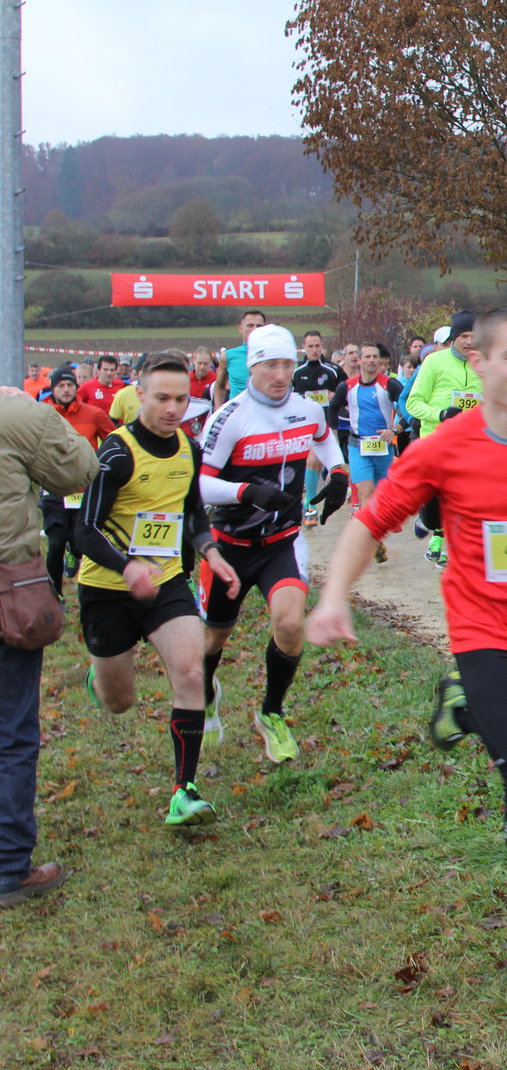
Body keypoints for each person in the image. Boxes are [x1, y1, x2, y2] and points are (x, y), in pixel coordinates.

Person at [306, 306, 507, 1016]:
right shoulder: (444, 448)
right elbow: (370, 520)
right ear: (479, 364)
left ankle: (464, 705)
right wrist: (333, 598)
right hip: (484, 633)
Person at [75, 353, 241, 828]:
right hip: (107, 588)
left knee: (190, 672)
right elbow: (85, 530)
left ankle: (184, 792)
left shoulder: (189, 447)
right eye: (162, 398)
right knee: (119, 701)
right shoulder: (116, 452)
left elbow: (193, 513)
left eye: (181, 399)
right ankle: (99, 677)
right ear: (139, 395)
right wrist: (127, 567)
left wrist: (210, 552)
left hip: (166, 580)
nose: (172, 408)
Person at [199, 325, 350, 764]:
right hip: (229, 545)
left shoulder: (307, 410)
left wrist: (339, 472)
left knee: (289, 625)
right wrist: (246, 492)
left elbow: (324, 437)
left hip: (282, 542)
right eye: (270, 366)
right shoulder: (230, 417)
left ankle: (271, 712)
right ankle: (205, 695)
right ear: (252, 367)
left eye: (287, 364)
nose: (281, 375)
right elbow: (199, 486)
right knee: (213, 639)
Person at [0, 387, 98, 908]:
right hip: (7, 594)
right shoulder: (12, 412)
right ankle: (8, 867)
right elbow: (80, 469)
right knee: (11, 731)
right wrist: (38, 416)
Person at [405, 311, 482, 566]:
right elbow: (413, 403)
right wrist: (440, 414)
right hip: (435, 444)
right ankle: (431, 525)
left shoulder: (484, 365)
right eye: (464, 336)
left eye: (474, 336)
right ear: (453, 338)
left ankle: (453, 548)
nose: (469, 341)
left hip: (469, 447)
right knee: (434, 511)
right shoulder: (434, 363)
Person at [40, 366, 116, 596]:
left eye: (70, 385)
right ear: (53, 389)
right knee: (56, 542)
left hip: (83, 489)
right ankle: (55, 594)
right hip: (53, 487)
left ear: (76, 388)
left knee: (78, 540)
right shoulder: (41, 414)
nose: (66, 389)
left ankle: (75, 555)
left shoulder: (94, 414)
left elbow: (115, 442)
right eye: (61, 386)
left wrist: (103, 466)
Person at [330, 344, 405, 559]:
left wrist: (394, 429)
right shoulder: (347, 387)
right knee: (365, 492)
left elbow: (409, 409)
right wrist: (332, 434)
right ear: (359, 360)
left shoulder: (389, 385)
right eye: (367, 357)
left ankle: (375, 532)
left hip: (383, 447)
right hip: (358, 446)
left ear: (379, 361)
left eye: (375, 357)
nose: (372, 360)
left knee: (380, 496)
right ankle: (373, 541)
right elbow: (333, 407)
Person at [293, 331, 346, 526]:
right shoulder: (297, 372)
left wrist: (336, 396)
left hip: (328, 423)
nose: (314, 350)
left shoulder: (333, 370)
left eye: (317, 346)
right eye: (310, 346)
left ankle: (311, 503)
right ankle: (310, 505)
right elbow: (291, 397)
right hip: (305, 424)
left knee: (317, 462)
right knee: (312, 460)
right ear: (304, 348)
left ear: (322, 346)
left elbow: (347, 391)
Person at [214, 309, 266, 406]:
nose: (255, 329)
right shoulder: (228, 356)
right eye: (250, 325)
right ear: (240, 329)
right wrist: (218, 409)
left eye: (259, 326)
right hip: (238, 412)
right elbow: (219, 386)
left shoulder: (273, 356)